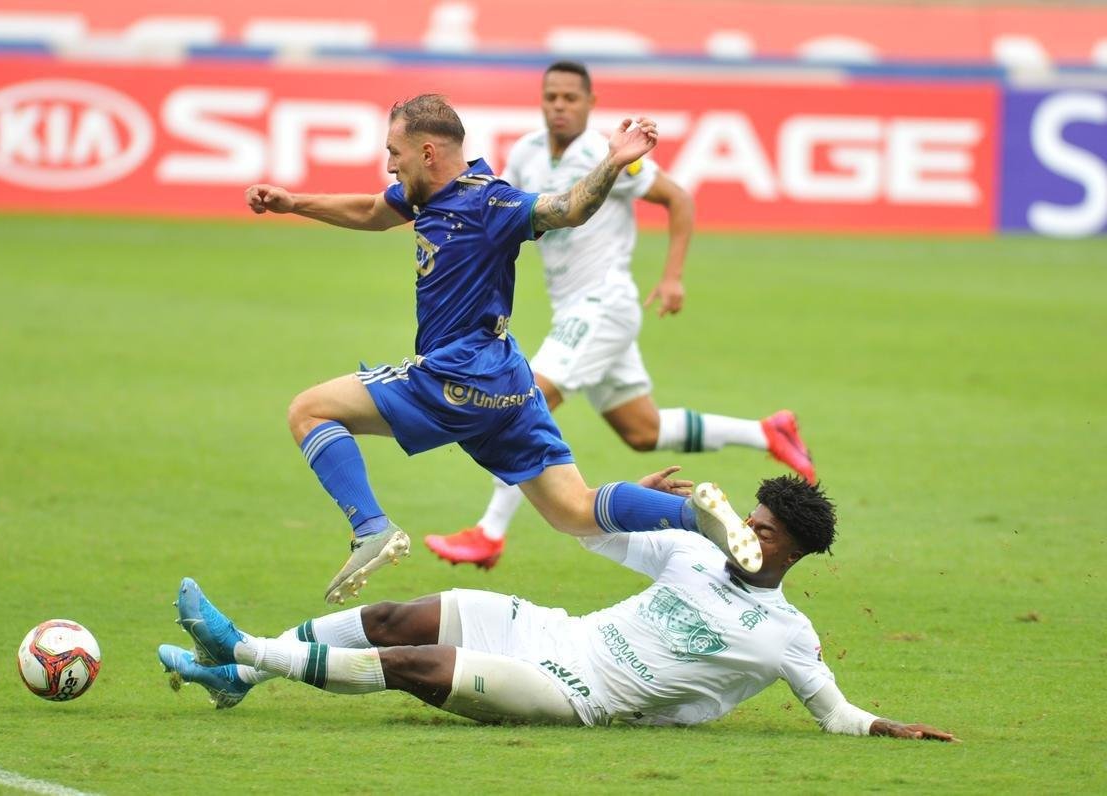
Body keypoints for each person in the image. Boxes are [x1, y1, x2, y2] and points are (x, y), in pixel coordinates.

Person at [244, 94, 763, 605]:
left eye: (394, 153)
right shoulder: (426, 194)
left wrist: (611, 161)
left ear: (427, 154)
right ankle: (690, 515)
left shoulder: (491, 202)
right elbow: (373, 209)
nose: (388, 164)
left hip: (457, 375)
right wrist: (294, 202)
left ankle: (372, 529)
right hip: (507, 384)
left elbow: (567, 209)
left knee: (308, 410)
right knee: (575, 512)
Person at [157, 473, 957, 742]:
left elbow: (834, 712)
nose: (747, 530)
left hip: (580, 696)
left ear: (791, 552)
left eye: (764, 529)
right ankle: (241, 679)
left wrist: (888, 728)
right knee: (398, 617)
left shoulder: (786, 636)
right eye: (749, 517)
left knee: (415, 666)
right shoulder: (692, 551)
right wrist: (647, 502)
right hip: (550, 631)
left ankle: (244, 650)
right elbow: (587, 530)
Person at [426, 62, 815, 571]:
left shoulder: (609, 157)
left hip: (603, 302)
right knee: (642, 430)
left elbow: (677, 197)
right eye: (551, 96)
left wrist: (672, 276)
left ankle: (489, 532)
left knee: (527, 398)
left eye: (570, 97)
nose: (559, 105)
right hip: (575, 308)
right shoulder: (523, 153)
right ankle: (766, 433)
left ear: (589, 103)